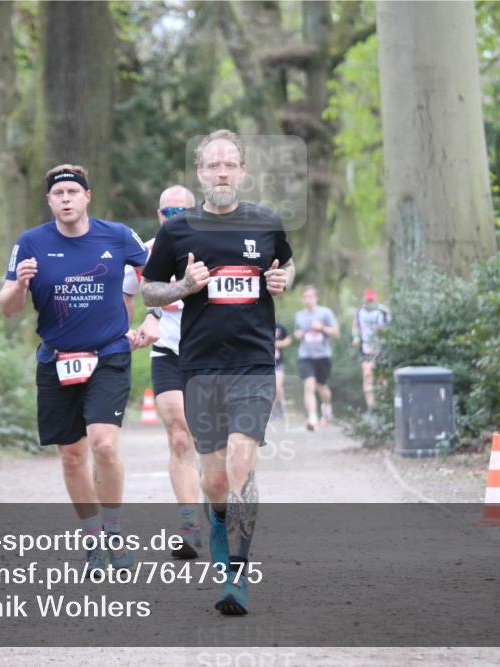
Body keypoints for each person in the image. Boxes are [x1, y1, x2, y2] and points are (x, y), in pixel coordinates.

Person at [141, 129, 295, 615]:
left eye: (230, 165)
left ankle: (236, 576)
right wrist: (183, 286)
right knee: (213, 479)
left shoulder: (266, 222)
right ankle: (218, 531)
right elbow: (148, 291)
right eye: (213, 165)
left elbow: (287, 266)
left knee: (240, 463)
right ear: (200, 173)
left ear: (243, 172)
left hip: (253, 364)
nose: (222, 172)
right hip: (201, 367)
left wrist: (281, 279)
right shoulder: (178, 231)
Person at [0, 163, 149, 571]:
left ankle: (114, 531)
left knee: (104, 444)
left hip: (108, 354)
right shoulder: (31, 243)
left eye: (72, 192)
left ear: (87, 197)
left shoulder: (117, 236)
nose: (66, 199)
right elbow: (8, 308)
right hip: (57, 359)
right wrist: (19, 285)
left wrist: (152, 319)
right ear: (49, 202)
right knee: (71, 456)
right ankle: (93, 539)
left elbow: (155, 278)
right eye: (58, 194)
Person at [122, 184, 204, 560]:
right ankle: (189, 526)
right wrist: (128, 328)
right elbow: (129, 292)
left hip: (211, 354)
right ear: (159, 216)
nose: (174, 218)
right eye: (167, 213)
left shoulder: (212, 247)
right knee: (180, 438)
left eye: (181, 212)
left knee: (216, 444)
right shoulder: (147, 252)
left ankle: (223, 516)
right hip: (169, 352)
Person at [294, 285, 339, 430]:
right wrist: (298, 334)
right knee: (309, 385)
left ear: (316, 298)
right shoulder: (299, 315)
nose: (308, 300)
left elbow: (336, 332)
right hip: (305, 355)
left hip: (323, 355)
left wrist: (322, 328)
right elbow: (297, 332)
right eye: (305, 297)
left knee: (322, 387)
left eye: (310, 296)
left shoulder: (325, 312)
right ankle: (312, 418)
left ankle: (327, 408)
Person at [352, 288, 392, 409]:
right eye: (368, 300)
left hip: (381, 349)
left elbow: (391, 327)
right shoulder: (360, 311)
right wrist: (356, 337)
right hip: (366, 349)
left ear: (375, 298)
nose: (370, 302)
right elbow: (355, 326)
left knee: (382, 378)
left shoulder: (383, 310)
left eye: (371, 300)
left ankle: (383, 406)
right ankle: (372, 407)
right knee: (367, 375)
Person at [273, 321, 292, 419]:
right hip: (263, 363)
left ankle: (272, 411)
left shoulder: (280, 327)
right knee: (276, 389)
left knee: (277, 388)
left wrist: (278, 344)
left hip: (278, 363)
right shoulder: (258, 325)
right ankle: (279, 406)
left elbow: (288, 340)